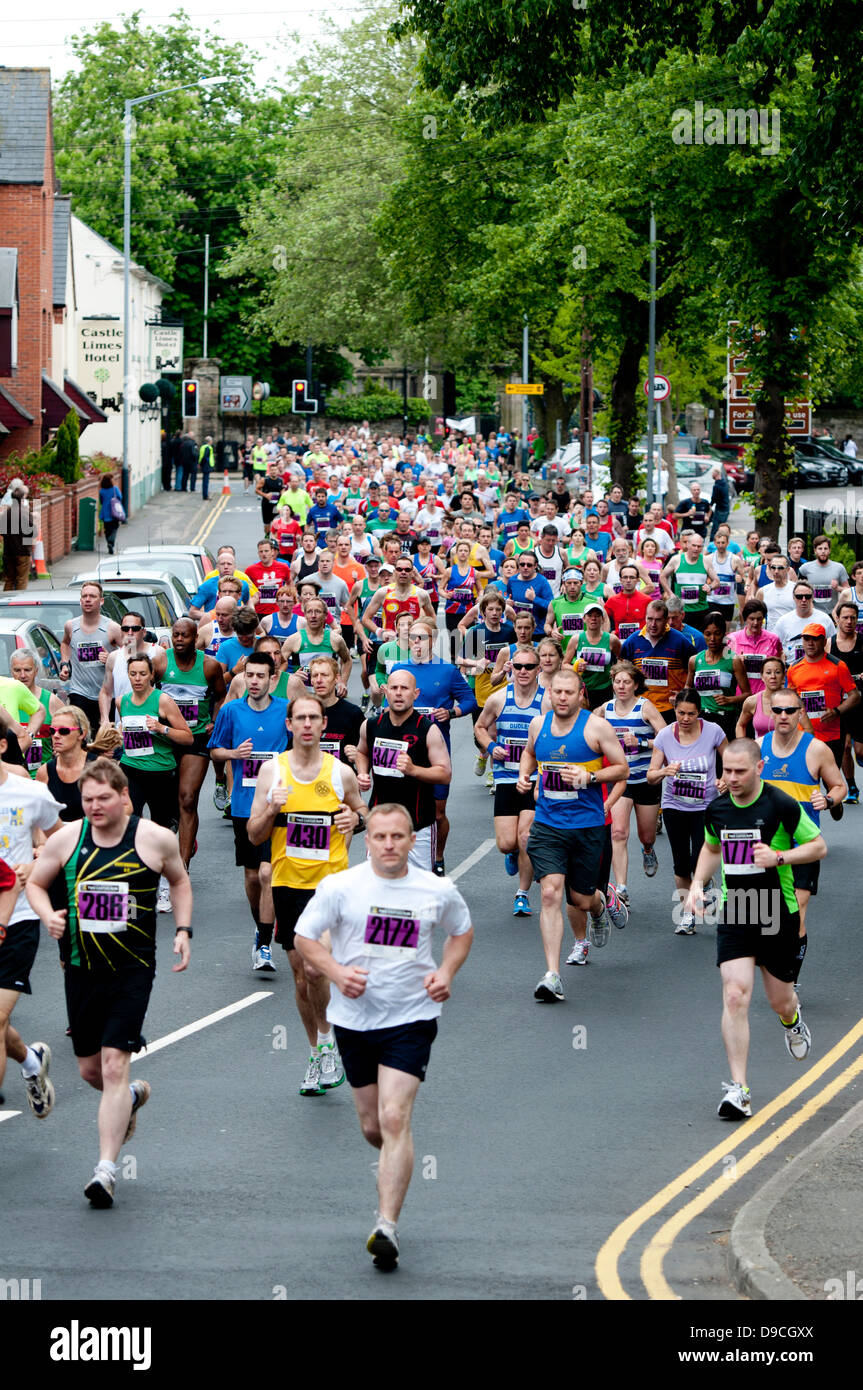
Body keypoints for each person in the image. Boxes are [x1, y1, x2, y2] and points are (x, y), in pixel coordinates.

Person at [293, 802, 472, 1268]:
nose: (389, 845)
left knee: (393, 1118)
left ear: (413, 840)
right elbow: (304, 936)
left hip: (412, 1018)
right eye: (380, 837)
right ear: (366, 840)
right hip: (354, 1021)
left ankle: (386, 1226)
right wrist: (334, 971)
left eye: (398, 837)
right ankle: (398, 1156)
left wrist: (446, 972)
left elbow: (461, 932)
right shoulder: (340, 887)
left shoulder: (436, 889)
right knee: (374, 1127)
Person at [26, 757, 192, 1205]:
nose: (95, 807)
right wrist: (48, 916)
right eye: (87, 799)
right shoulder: (68, 838)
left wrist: (182, 930)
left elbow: (179, 881)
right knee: (90, 1070)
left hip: (133, 967)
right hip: (81, 967)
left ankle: (105, 1170)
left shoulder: (155, 839)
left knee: (115, 1064)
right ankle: (131, 1099)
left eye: (103, 798)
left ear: (124, 798)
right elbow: (36, 885)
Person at [686, 740, 825, 1121]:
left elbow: (818, 847)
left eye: (739, 771)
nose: (730, 778)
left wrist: (780, 856)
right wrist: (698, 884)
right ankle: (739, 1090)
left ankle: (792, 1022)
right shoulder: (717, 808)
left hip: (777, 911)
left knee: (780, 1000)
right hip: (737, 909)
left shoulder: (780, 805)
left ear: (759, 767)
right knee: (734, 995)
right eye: (726, 770)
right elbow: (713, 848)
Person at [247, 692, 366, 1096]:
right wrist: (270, 810)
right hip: (287, 884)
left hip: (330, 886)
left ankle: (330, 1039)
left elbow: (362, 810)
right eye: (301, 718)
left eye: (315, 717)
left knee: (316, 969)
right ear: (290, 725)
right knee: (300, 978)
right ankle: (318, 1053)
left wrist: (356, 818)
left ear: (321, 723)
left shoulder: (339, 773)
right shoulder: (272, 773)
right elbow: (254, 834)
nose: (308, 725)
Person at [517, 666, 629, 1002]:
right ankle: (552, 975)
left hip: (586, 825)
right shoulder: (539, 725)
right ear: (549, 693)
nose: (562, 698)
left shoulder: (596, 727)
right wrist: (525, 776)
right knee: (550, 893)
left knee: (579, 899)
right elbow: (529, 753)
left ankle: (600, 904)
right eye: (557, 692)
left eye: (569, 693)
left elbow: (622, 768)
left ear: (580, 694)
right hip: (549, 824)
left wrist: (589, 778)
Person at [208, 651, 288, 971]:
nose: (254, 682)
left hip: (278, 802)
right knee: (254, 875)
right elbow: (214, 751)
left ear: (273, 679)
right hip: (243, 804)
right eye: (249, 676)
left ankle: (265, 943)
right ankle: (261, 924)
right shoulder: (231, 712)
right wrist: (233, 753)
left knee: (269, 872)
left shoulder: (285, 712)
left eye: (260, 676)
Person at [0, 730, 64, 1118]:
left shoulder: (29, 793)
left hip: (19, 919)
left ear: (2, 745)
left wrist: (38, 859)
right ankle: (30, 1062)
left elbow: (64, 839)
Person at [759, 691, 845, 964]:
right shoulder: (757, 746)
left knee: (796, 911)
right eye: (778, 710)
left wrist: (829, 799)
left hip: (803, 844)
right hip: (767, 845)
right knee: (768, 916)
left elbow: (839, 785)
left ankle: (790, 977)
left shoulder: (816, 749)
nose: (783, 715)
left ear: (800, 713)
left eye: (790, 710)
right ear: (771, 713)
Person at [390, 623, 475, 875]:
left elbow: (470, 700)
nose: (416, 642)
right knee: (403, 810)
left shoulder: (447, 670)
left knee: (437, 813)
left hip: (437, 750)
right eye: (411, 638)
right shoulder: (398, 669)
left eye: (421, 638)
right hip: (405, 750)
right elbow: (389, 705)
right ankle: (404, 858)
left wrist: (450, 712)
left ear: (432, 640)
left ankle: (437, 856)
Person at [647, 688, 728, 935]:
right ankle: (687, 914)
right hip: (674, 806)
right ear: (675, 711)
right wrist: (664, 772)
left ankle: (701, 886)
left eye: (690, 714)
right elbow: (651, 776)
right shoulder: (664, 736)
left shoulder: (713, 731)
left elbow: (734, 758)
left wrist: (725, 779)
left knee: (698, 861)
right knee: (681, 865)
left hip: (706, 807)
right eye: (681, 713)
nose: (685, 718)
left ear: (698, 712)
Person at [355, 669, 452, 872]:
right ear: (386, 692)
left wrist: (414, 769)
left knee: (418, 889)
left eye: (404, 688)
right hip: (380, 821)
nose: (398, 693)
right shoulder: (371, 725)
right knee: (379, 882)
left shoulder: (427, 729)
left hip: (418, 824)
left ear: (415, 693)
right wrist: (362, 773)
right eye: (394, 688)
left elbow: (445, 774)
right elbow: (362, 752)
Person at [118, 654, 192, 912]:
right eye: (133, 674)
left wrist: (161, 729)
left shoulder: (163, 701)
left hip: (161, 772)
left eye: (142, 674)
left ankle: (164, 885)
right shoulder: (123, 701)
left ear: (151, 675)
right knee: (129, 826)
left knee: (162, 831)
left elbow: (187, 738)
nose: (137, 679)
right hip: (131, 770)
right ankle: (133, 887)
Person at [475, 645, 544, 916]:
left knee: (526, 837)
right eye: (518, 667)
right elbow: (480, 727)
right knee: (506, 843)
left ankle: (522, 893)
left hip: (533, 777)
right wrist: (491, 748)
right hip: (505, 775)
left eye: (529, 667)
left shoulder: (546, 700)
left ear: (539, 669)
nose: (523, 672)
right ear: (510, 668)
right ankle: (513, 852)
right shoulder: (498, 699)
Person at [152, 619, 227, 865]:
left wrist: (214, 721)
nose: (180, 640)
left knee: (187, 797)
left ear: (196, 639)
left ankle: (182, 866)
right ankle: (183, 829)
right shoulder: (161, 662)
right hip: (166, 736)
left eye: (185, 635)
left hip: (195, 738)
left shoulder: (209, 666)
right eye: (176, 635)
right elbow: (147, 692)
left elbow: (220, 696)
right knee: (167, 800)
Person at [597, 662, 666, 908]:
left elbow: (666, 736)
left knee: (646, 835)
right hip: (620, 780)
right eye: (617, 682)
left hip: (645, 778)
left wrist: (643, 742)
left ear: (636, 684)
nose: (621, 686)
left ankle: (648, 850)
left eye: (627, 682)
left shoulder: (644, 707)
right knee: (618, 832)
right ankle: (621, 888)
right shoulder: (605, 709)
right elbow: (585, 726)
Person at [787, 622, 860, 766]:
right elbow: (790, 699)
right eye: (806, 639)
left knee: (831, 782)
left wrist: (836, 711)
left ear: (824, 641)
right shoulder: (793, 668)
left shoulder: (838, 666)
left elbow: (855, 696)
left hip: (832, 735)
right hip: (804, 735)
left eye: (815, 639)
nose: (810, 643)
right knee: (807, 782)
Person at [60, 582, 124, 735]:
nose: (88, 599)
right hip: (79, 691)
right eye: (84, 596)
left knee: (102, 738)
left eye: (92, 596)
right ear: (80, 600)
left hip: (106, 694)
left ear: (101, 601)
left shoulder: (113, 628)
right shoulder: (71, 626)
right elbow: (65, 643)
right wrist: (64, 663)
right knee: (80, 735)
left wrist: (111, 658)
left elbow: (131, 655)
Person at [621, 599, 696, 723]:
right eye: (650, 619)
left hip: (671, 708)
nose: (653, 624)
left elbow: (695, 670)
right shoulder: (633, 641)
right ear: (645, 618)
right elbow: (623, 672)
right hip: (641, 707)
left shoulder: (680, 641)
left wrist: (684, 694)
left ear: (666, 620)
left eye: (658, 620)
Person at [688, 613, 751, 742]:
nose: (712, 638)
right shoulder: (695, 660)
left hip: (725, 718)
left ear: (723, 634)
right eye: (707, 634)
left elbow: (747, 694)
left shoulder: (733, 659)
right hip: (702, 718)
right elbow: (688, 686)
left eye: (717, 633)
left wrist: (729, 700)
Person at [98, 611, 160, 729]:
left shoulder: (157, 653)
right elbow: (106, 692)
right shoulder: (113, 657)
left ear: (144, 632)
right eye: (126, 629)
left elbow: (166, 688)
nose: (130, 633)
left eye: (135, 628)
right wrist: (105, 718)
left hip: (151, 728)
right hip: (123, 729)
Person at [10, 649, 64, 777]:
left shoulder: (51, 701)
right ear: (11, 672)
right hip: (11, 778)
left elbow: (73, 732)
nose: (22, 675)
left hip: (43, 777)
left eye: (27, 670)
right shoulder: (4, 700)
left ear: (36, 671)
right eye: (17, 670)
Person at [662, 530, 717, 632]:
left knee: (699, 639)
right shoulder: (676, 560)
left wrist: (710, 587)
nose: (696, 549)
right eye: (694, 545)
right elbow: (662, 576)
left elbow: (716, 581)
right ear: (687, 544)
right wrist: (670, 593)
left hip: (701, 609)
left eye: (699, 546)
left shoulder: (705, 560)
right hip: (682, 611)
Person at [774, 580, 836, 668]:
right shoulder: (783, 621)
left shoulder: (824, 619)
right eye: (799, 596)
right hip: (791, 670)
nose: (803, 600)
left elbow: (833, 644)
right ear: (793, 597)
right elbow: (775, 648)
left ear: (812, 597)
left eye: (807, 596)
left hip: (818, 669)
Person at [726, 599, 782, 695]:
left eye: (759, 619)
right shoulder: (732, 639)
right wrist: (736, 662)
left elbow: (780, 665)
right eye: (752, 619)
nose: (755, 623)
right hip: (741, 695)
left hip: (767, 694)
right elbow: (725, 669)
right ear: (745, 619)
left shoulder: (773, 639)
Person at [799, 535, 849, 617]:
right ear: (815, 550)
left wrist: (838, 588)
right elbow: (798, 591)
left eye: (825, 549)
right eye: (820, 548)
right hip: (812, 612)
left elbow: (848, 591)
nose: (823, 551)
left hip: (833, 613)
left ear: (829, 550)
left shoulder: (839, 568)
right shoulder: (805, 568)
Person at [0, 482, 35, 590]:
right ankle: (19, 602)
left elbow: (1, 530)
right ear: (23, 498)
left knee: (9, 579)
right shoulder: (24, 512)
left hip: (8, 551)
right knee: (21, 579)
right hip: (22, 551)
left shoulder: (6, 513)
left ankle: (5, 603)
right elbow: (32, 532)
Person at [98, 473, 124, 554]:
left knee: (107, 529)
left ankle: (109, 542)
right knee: (114, 528)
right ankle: (111, 542)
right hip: (114, 511)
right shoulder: (115, 489)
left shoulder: (101, 491)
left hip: (105, 513)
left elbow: (101, 501)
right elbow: (120, 497)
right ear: (110, 481)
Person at [709, 467, 730, 539]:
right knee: (723, 527)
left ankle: (712, 543)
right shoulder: (725, 483)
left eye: (712, 473)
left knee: (715, 528)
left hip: (720, 508)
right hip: (726, 508)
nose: (711, 475)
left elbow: (714, 498)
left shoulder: (717, 486)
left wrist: (710, 505)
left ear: (716, 474)